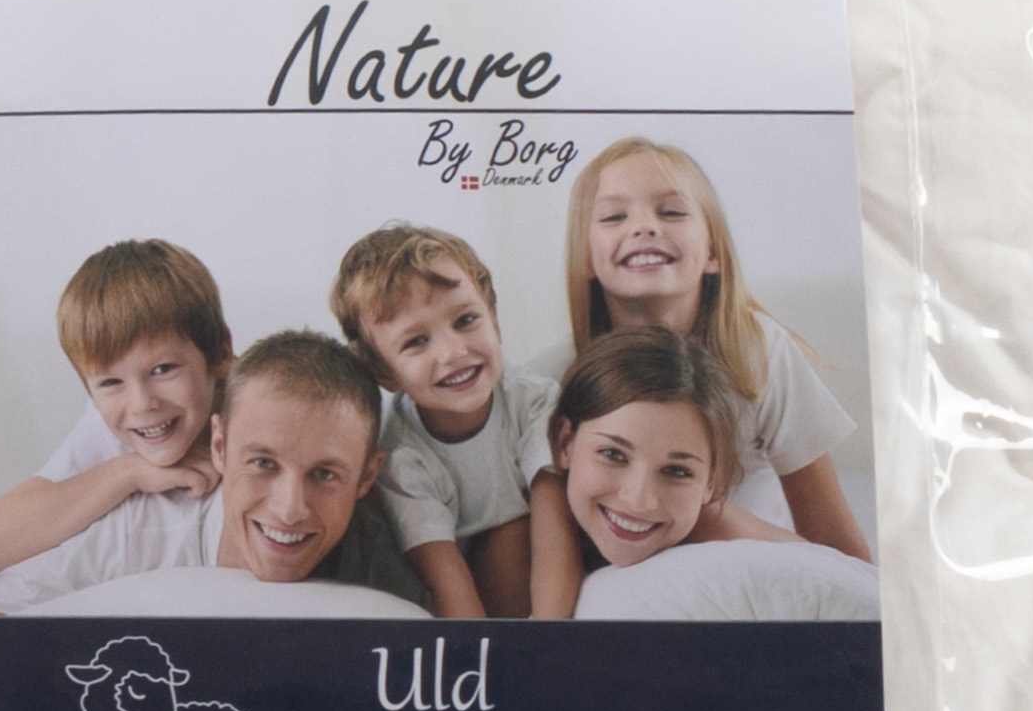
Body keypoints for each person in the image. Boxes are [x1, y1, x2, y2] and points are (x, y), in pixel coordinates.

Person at [533, 138, 871, 583]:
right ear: (585, 259)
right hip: (631, 575)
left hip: (753, 569)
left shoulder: (758, 354)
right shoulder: (551, 380)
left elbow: (831, 531)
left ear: (712, 252)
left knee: (711, 518)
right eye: (615, 216)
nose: (644, 227)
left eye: (671, 212)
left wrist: (860, 595)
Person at [0, 331, 424, 613]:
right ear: (220, 448)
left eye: (324, 474)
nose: (290, 510)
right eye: (262, 464)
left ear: (366, 477)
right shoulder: (136, 534)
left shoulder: (384, 567)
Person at [331, 224, 556, 618]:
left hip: (528, 556)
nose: (453, 353)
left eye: (466, 320)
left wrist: (552, 635)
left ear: (494, 320)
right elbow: (443, 577)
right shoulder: (399, 455)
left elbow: (556, 533)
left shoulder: (534, 401)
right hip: (439, 573)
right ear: (384, 372)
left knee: (514, 533)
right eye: (416, 342)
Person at [0, 240, 231, 581]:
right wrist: (131, 472)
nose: (141, 404)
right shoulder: (111, 423)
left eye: (163, 369)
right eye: (110, 382)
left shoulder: (261, 402)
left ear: (220, 354)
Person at [546, 327, 802, 580]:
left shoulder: (739, 544)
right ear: (564, 442)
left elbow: (821, 571)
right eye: (613, 454)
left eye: (677, 471)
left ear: (711, 483)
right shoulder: (534, 510)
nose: (638, 501)